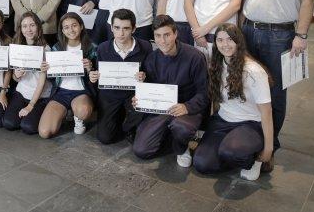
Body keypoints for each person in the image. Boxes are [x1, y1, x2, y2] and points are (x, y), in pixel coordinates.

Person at [241, 0, 314, 165]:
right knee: (249, 85)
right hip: (249, 30)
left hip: (281, 35)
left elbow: (307, 0)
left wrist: (301, 34)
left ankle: (270, 145)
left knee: (275, 91)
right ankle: (253, 135)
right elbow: (243, 0)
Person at [193, 24, 274, 181]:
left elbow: (267, 111)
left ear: (239, 42)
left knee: (231, 151)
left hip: (250, 124)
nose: (225, 44)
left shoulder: (254, 71)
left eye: (230, 40)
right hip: (222, 121)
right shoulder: (216, 64)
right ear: (215, 43)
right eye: (220, 40)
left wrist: (268, 149)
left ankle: (254, 160)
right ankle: (230, 151)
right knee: (202, 163)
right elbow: (216, 100)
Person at [131, 15, 208, 167]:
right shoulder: (151, 58)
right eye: (158, 36)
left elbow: (204, 93)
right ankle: (173, 140)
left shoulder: (195, 57)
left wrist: (187, 107)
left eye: (167, 35)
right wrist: (139, 98)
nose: (163, 41)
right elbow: (149, 89)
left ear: (175, 34)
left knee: (181, 128)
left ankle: (182, 147)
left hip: (186, 110)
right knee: (141, 150)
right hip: (161, 111)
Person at [89, 9, 150, 144]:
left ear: (134, 29)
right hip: (110, 95)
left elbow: (151, 75)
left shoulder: (145, 47)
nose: (121, 33)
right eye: (117, 28)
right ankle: (119, 117)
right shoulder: (102, 48)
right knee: (105, 138)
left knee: (137, 129)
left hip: (132, 95)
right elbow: (98, 75)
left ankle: (129, 125)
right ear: (111, 28)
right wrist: (93, 77)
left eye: (126, 28)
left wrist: (144, 77)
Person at [39, 13, 96, 138]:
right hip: (60, 92)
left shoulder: (91, 48)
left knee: (83, 111)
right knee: (44, 132)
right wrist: (46, 70)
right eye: (66, 27)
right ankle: (65, 112)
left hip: (81, 92)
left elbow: (97, 78)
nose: (71, 30)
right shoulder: (57, 48)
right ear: (62, 31)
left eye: (74, 25)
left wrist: (90, 68)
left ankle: (78, 117)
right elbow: (52, 77)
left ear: (81, 26)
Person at [3, 12, 52, 134]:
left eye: (32, 25)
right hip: (22, 92)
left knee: (28, 127)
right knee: (9, 123)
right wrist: (17, 75)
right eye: (24, 26)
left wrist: (30, 106)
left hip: (40, 97)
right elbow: (15, 78)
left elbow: (41, 83)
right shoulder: (18, 46)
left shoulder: (46, 49)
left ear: (38, 27)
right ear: (20, 28)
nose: (28, 30)